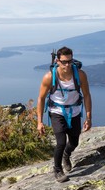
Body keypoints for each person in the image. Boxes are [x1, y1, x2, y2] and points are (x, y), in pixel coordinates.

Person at [37, 46, 92, 182]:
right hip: (57, 112)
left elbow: (86, 95)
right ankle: (57, 170)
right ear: (57, 61)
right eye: (64, 62)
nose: (67, 65)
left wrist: (88, 117)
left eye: (69, 61)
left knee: (74, 142)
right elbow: (41, 98)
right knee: (60, 142)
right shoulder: (50, 77)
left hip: (74, 111)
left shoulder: (80, 75)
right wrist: (39, 122)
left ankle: (66, 155)